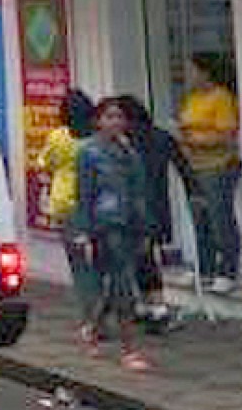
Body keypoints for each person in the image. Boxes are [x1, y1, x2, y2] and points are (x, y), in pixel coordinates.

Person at [72, 98, 153, 371]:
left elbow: (140, 191)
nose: (115, 122)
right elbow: (84, 194)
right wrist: (83, 231)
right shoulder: (89, 152)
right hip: (105, 224)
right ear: (98, 121)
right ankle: (129, 349)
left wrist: (146, 228)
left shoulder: (130, 152)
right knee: (122, 285)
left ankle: (92, 328)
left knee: (115, 284)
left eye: (119, 117)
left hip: (131, 223)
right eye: (109, 117)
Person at [117, 94, 194, 325]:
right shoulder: (162, 137)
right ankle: (150, 306)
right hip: (157, 205)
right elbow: (183, 166)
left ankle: (154, 307)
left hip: (133, 206)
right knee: (145, 256)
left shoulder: (125, 142)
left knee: (141, 258)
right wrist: (194, 193)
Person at [179, 53, 242, 294]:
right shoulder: (192, 99)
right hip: (194, 166)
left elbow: (226, 136)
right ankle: (204, 268)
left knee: (220, 217)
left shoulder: (222, 98)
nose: (188, 75)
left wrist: (196, 141)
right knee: (200, 218)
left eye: (192, 70)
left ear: (205, 73)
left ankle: (228, 270)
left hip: (218, 165)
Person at [40, 88, 97, 324]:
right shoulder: (96, 138)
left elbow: (46, 162)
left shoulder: (58, 137)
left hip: (66, 204)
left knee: (79, 264)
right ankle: (108, 309)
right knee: (103, 261)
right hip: (95, 202)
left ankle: (89, 317)